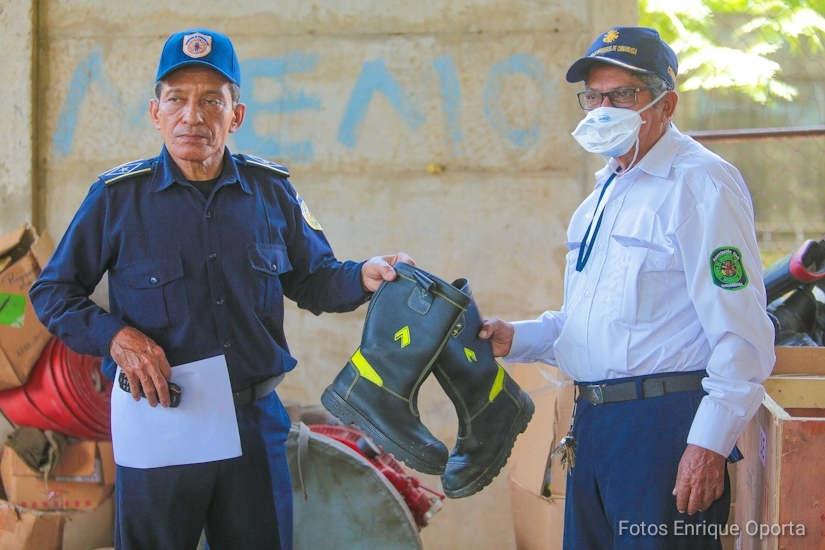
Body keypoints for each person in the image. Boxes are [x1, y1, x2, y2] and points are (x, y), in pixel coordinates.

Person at [29, 28, 412, 550]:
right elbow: (53, 292)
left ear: (236, 116)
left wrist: (364, 275)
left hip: (252, 423)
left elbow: (315, 280)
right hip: (160, 419)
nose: (192, 115)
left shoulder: (271, 192)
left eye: (212, 100)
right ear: (155, 112)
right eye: (176, 100)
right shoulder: (117, 198)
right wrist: (115, 337)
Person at [480, 27, 774, 549]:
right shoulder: (604, 191)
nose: (602, 110)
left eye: (622, 96)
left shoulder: (700, 183)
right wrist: (516, 337)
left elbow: (744, 335)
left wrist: (708, 444)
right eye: (593, 97)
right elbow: (589, 324)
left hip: (663, 429)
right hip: (595, 424)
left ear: (666, 105)